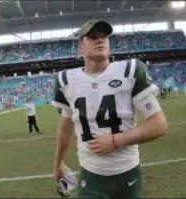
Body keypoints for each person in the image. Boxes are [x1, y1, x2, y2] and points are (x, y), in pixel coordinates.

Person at [51, 20, 168, 199]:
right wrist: (58, 163)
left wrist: (116, 140)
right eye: (92, 37)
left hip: (127, 172)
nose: (100, 40)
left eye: (104, 37)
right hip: (90, 173)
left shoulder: (130, 71)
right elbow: (66, 126)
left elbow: (159, 125)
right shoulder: (66, 81)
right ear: (81, 47)